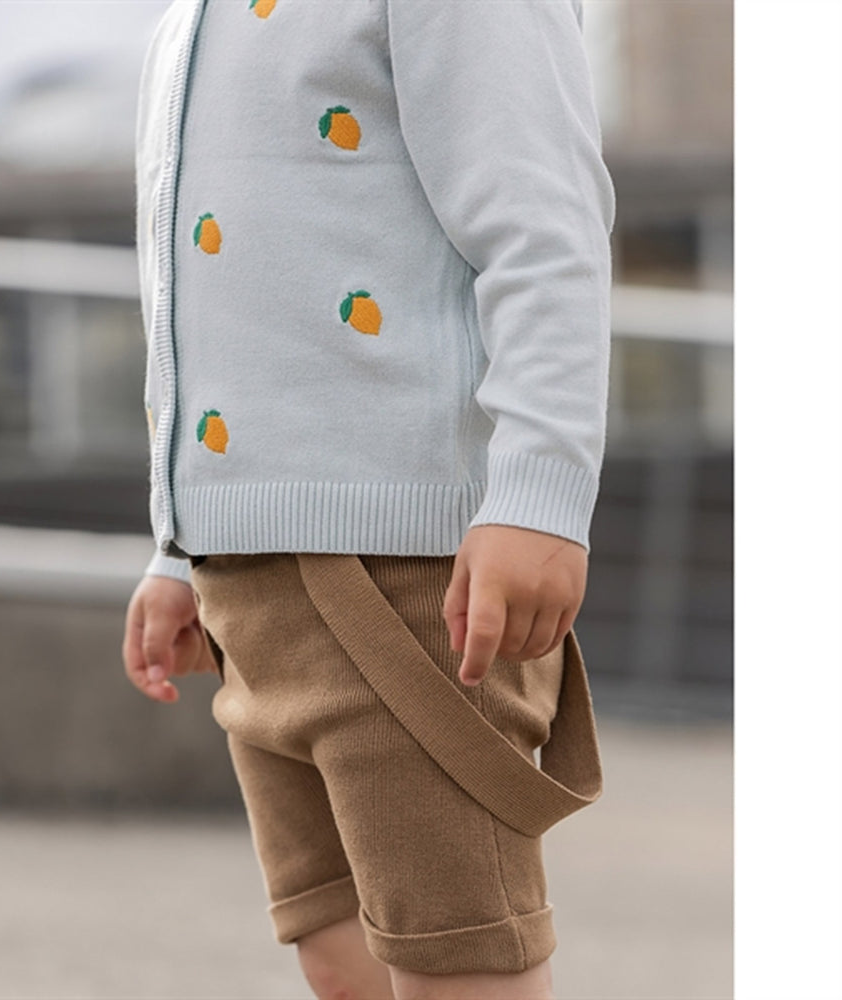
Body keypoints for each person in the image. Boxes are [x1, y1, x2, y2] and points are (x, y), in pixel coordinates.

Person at [122, 0, 614, 996]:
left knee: (459, 959)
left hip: (411, 569)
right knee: (335, 951)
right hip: (245, 571)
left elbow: (543, 225)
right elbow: (195, 297)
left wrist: (540, 493)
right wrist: (177, 544)